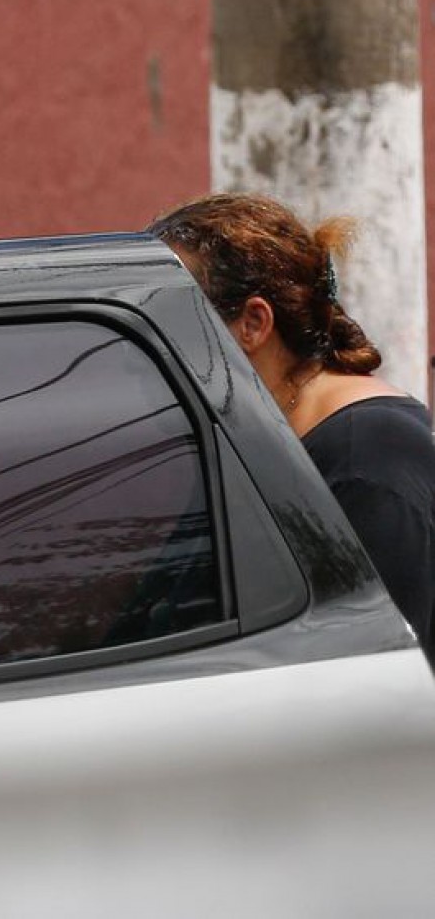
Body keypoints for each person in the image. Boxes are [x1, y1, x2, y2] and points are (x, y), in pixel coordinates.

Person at [149, 193, 435, 659]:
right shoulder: (266, 442)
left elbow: (370, 683)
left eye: (169, 321)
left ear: (254, 323)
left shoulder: (368, 463)